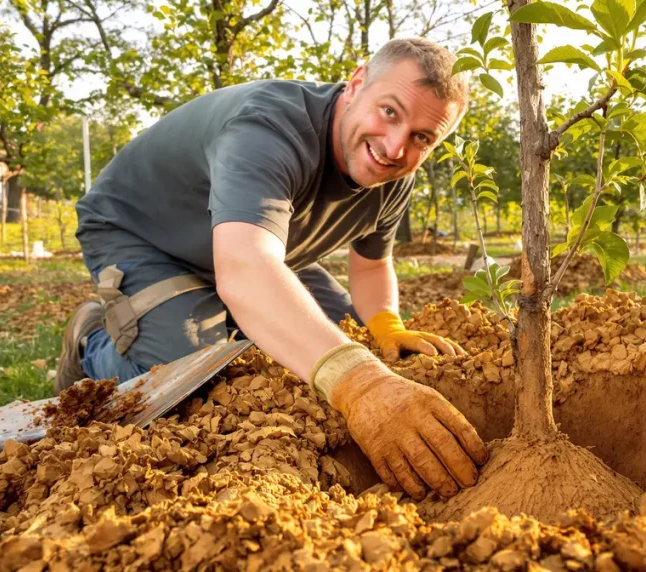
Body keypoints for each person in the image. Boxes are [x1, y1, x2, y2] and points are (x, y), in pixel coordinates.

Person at [56, 38, 488, 501]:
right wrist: (360, 385)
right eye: (390, 112)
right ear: (357, 83)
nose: (395, 146)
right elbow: (245, 268)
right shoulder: (268, 128)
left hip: (257, 248)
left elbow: (371, 264)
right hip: (145, 233)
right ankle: (92, 343)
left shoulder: (396, 175)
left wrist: (386, 324)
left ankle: (229, 314)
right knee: (184, 380)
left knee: (348, 333)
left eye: (422, 137)